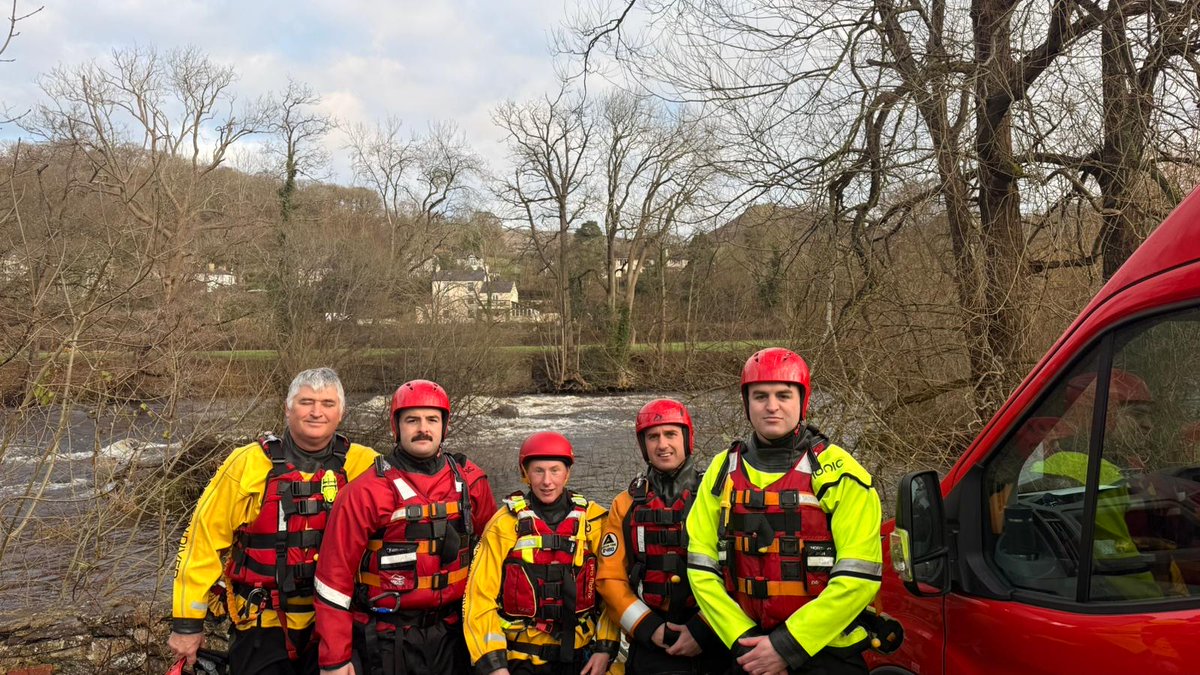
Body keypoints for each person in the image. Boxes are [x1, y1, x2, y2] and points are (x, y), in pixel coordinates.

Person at [686, 348, 883, 675]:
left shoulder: (839, 472)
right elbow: (700, 563)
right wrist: (742, 637)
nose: (772, 406)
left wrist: (788, 645)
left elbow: (860, 576)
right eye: (760, 396)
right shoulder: (721, 470)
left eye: (783, 395)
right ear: (747, 403)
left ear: (802, 401)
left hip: (826, 651)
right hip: (746, 648)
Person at [169, 367, 379, 674]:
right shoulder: (246, 464)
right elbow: (201, 543)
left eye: (327, 404)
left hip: (336, 622)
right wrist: (187, 625)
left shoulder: (365, 464)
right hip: (261, 621)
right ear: (288, 408)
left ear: (342, 412)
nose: (316, 412)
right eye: (306, 402)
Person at [313, 379, 497, 675]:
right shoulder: (365, 491)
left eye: (432, 420)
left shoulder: (471, 482)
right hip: (387, 638)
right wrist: (335, 657)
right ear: (396, 427)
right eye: (412, 420)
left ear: (444, 426)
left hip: (455, 636)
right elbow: (334, 576)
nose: (423, 428)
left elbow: (495, 557)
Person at [463, 431, 620, 675]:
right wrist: (494, 665)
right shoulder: (504, 525)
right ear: (525, 474)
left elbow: (612, 588)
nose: (547, 481)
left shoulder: (595, 521)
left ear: (567, 473)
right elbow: (479, 597)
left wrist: (605, 649)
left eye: (555, 470)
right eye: (538, 470)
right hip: (519, 660)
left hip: (583, 657)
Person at [597, 398, 727, 674]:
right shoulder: (625, 505)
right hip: (651, 641)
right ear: (644, 446)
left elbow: (739, 568)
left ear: (686, 438)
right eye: (653, 437)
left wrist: (704, 628)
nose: (662, 445)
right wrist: (648, 627)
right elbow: (610, 579)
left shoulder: (719, 496)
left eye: (671, 434)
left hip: (714, 636)